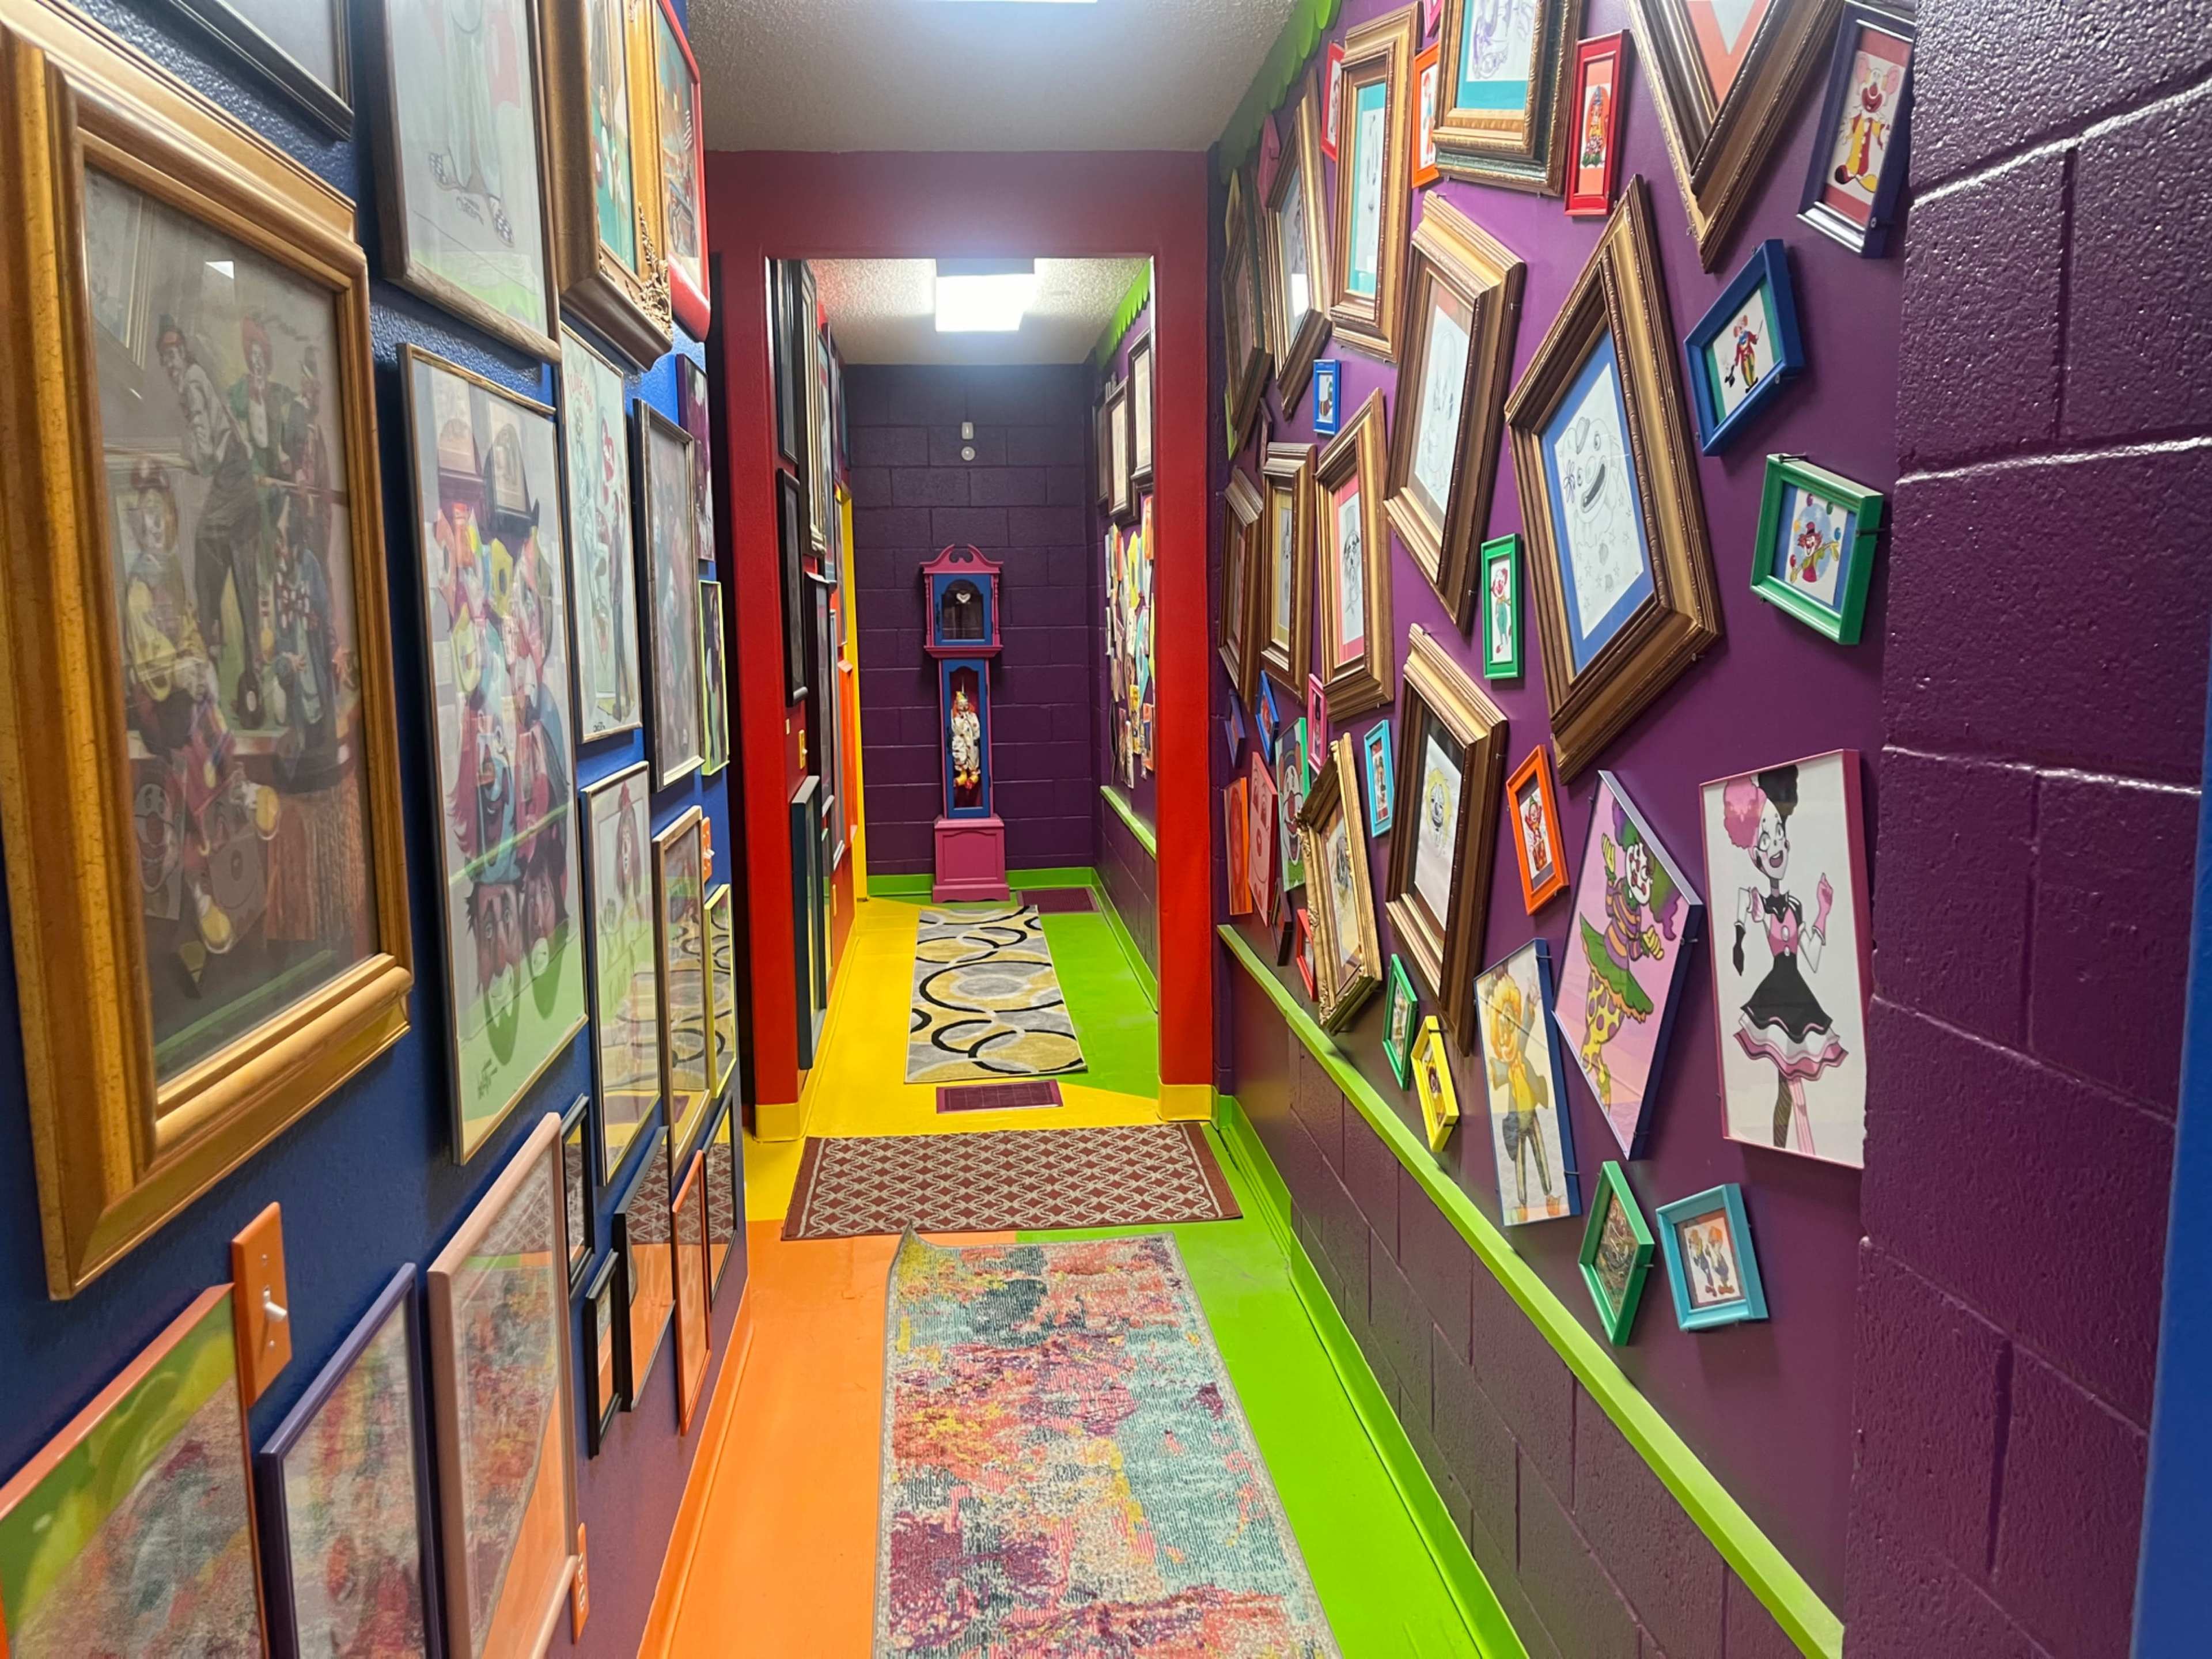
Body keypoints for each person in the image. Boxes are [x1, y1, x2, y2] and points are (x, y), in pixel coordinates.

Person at [1724, 764, 1844, 1153]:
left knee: (1792, 1086)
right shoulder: (1762, 903)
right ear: (1755, 854)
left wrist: (1824, 911)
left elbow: (1810, 956)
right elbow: (1745, 910)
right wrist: (1740, 936)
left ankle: (1796, 1147)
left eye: (1779, 834)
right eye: (1765, 839)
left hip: (1798, 993)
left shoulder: (1795, 903)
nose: (1775, 845)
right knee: (1787, 1087)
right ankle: (1788, 1147)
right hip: (1775, 997)